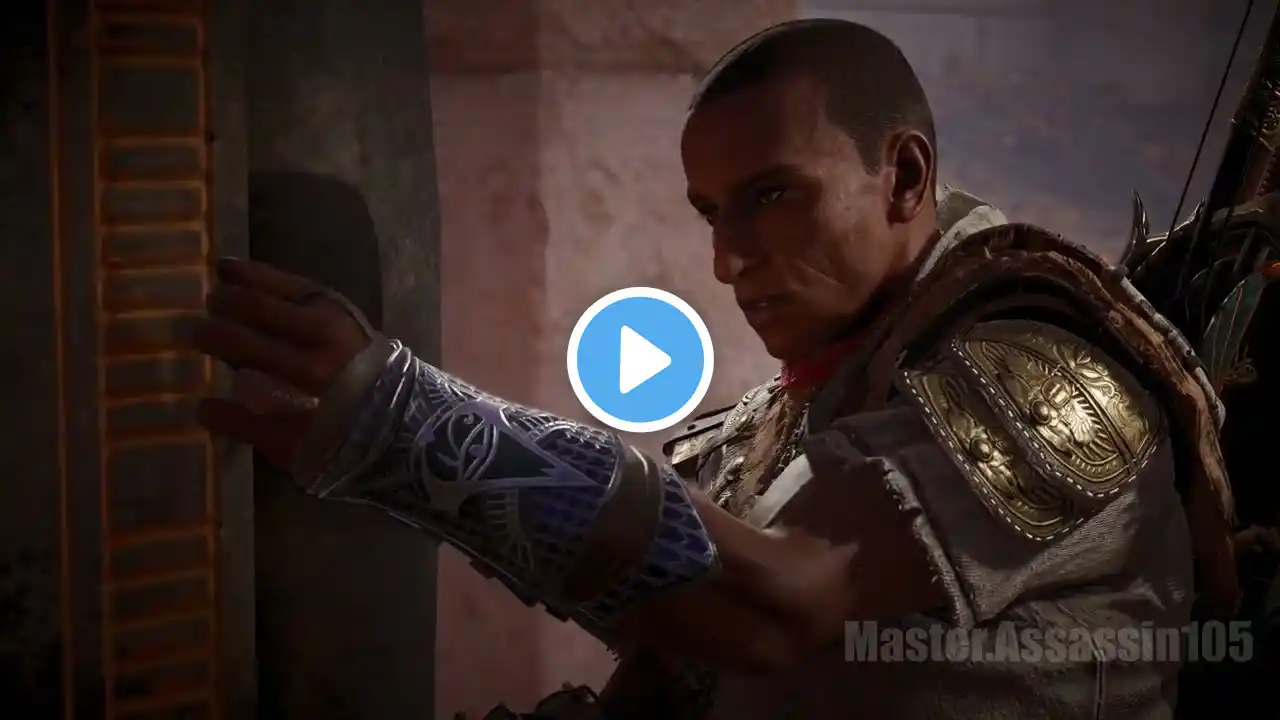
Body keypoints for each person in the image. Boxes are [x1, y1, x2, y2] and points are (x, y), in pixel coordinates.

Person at [190, 19, 1240, 720]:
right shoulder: (792, 415)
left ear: (903, 176)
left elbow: (768, 605)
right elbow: (682, 646)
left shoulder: (1051, 382)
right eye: (710, 213)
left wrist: (403, 422)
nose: (726, 260)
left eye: (771, 196)